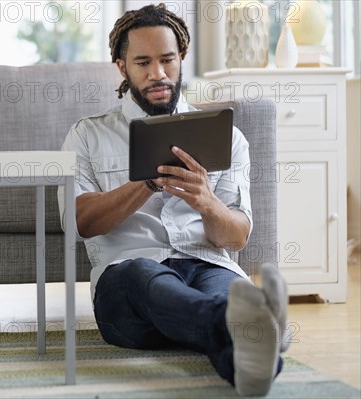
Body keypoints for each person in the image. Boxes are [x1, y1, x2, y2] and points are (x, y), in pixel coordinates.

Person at [57, 3, 289, 396]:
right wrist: (144, 184)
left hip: (206, 264)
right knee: (141, 274)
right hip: (128, 283)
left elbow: (236, 239)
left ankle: (249, 359)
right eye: (143, 62)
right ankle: (251, 324)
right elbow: (77, 224)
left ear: (182, 57)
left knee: (225, 291)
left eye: (167, 60)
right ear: (121, 67)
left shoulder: (227, 137)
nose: (157, 74)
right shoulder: (88, 136)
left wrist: (206, 201)